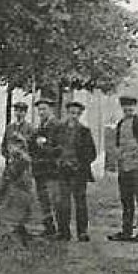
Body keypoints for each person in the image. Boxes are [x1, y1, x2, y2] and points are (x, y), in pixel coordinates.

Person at [107, 94, 138, 243]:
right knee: (126, 199)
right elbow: (117, 145)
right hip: (124, 167)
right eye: (125, 107)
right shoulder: (121, 123)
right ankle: (126, 231)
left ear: (135, 108)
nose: (128, 110)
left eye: (130, 107)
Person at [0, 101, 32, 232]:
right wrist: (7, 156)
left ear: (25, 113)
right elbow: (4, 145)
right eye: (16, 110)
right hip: (10, 165)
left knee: (22, 195)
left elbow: (32, 148)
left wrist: (23, 144)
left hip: (24, 167)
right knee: (1, 192)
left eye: (21, 111)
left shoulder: (30, 128)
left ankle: (20, 224)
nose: (18, 113)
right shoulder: (10, 128)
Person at [52, 99, 97, 242]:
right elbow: (52, 148)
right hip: (62, 170)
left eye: (77, 114)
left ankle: (82, 232)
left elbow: (92, 153)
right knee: (62, 202)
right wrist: (58, 160)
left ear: (80, 115)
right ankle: (63, 231)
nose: (74, 116)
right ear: (67, 113)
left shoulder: (85, 131)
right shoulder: (59, 130)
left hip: (78, 172)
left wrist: (80, 163)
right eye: (72, 113)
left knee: (80, 202)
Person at [0, 132, 38, 246]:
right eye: (10, 146)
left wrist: (6, 182)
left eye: (14, 146)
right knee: (15, 212)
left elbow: (13, 175)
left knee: (13, 212)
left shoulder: (20, 159)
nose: (11, 148)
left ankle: (16, 239)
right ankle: (17, 234)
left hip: (19, 189)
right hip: (21, 188)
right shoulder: (18, 158)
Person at [28, 98, 62, 237]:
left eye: (44, 109)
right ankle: (49, 227)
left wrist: (46, 145)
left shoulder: (57, 126)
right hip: (39, 168)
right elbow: (32, 146)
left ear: (51, 110)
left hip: (52, 168)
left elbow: (60, 148)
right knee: (43, 199)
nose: (41, 112)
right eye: (39, 110)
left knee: (55, 198)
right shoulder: (38, 127)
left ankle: (61, 229)